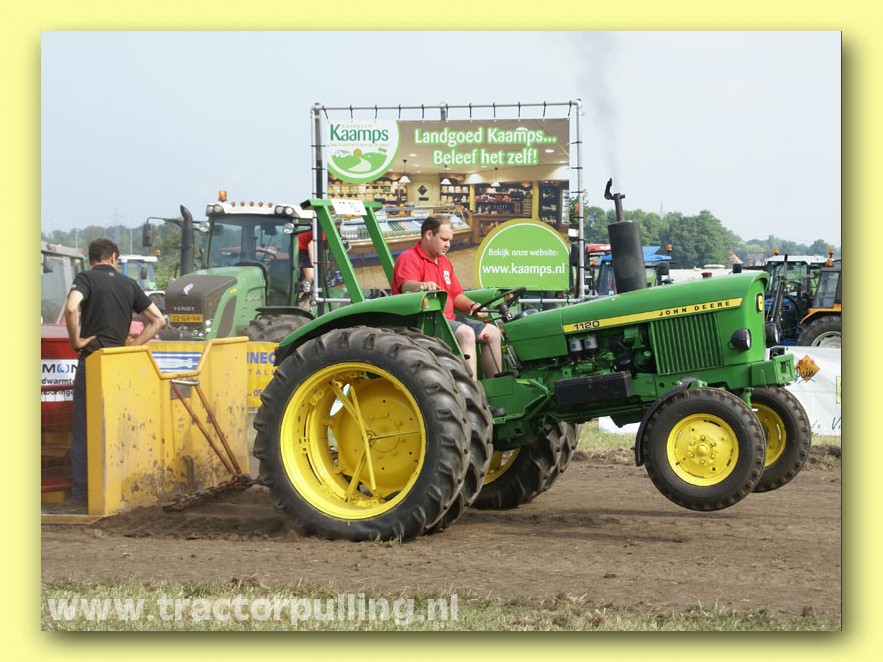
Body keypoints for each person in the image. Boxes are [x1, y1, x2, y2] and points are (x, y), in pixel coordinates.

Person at [59, 238, 166, 512]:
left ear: (92, 259)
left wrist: (75, 341)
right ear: (114, 258)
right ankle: (117, 488)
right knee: (115, 425)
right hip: (117, 363)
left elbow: (71, 308)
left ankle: (81, 495)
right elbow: (158, 320)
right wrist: (132, 347)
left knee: (85, 428)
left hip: (93, 359)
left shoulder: (85, 278)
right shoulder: (129, 284)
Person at [392, 215, 502, 379]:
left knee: (493, 332)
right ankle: (471, 389)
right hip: (425, 323)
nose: (448, 244)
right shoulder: (409, 258)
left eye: (450, 240)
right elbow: (406, 285)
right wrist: (421, 286)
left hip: (448, 319)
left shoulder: (444, 262)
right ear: (429, 234)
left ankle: (497, 384)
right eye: (444, 239)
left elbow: (456, 295)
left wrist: (473, 306)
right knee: (466, 333)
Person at [296, 230, 314, 310]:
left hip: (302, 250)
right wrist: (314, 264)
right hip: (301, 251)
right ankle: (297, 298)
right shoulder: (322, 232)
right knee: (310, 277)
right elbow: (311, 245)